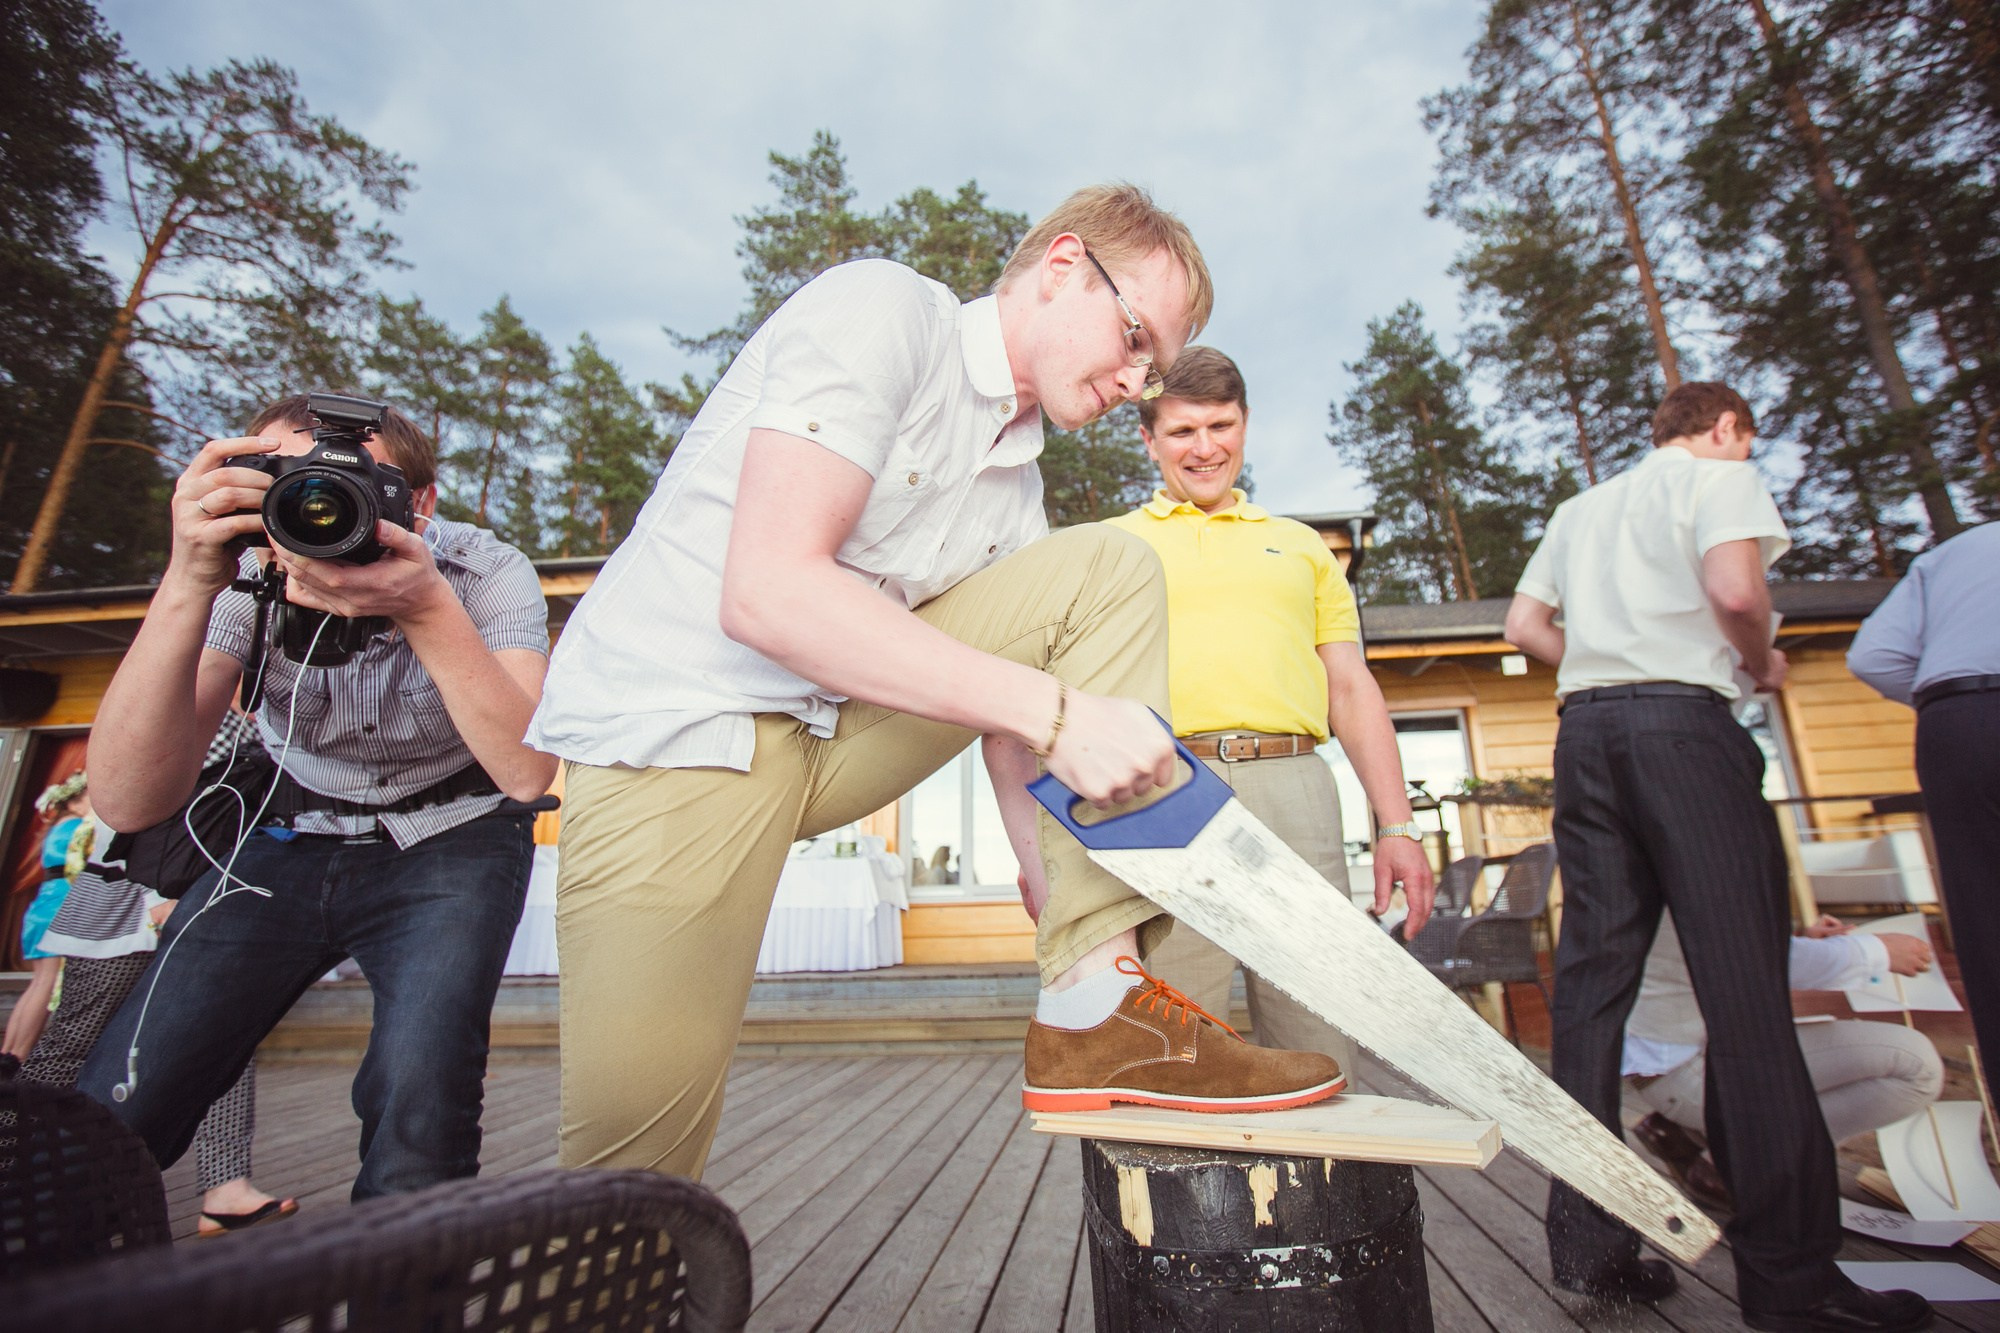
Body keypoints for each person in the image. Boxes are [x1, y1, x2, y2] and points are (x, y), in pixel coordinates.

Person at [528, 185, 1346, 1182]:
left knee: (1108, 572)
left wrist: (1073, 917)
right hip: (678, 748)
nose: (1137, 382)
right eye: (1133, 339)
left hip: (828, 744)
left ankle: (1102, 1008)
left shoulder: (1018, 492)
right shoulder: (880, 311)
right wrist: (1055, 712)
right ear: (1058, 268)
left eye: (1155, 367)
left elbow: (1010, 733)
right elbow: (770, 593)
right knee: (632, 1175)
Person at [1505, 381, 1928, 1331]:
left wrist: (1607, 656)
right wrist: (1757, 658)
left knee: (1589, 993)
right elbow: (1738, 590)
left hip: (1588, 735)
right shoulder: (1716, 477)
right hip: (1684, 732)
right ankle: (1792, 1283)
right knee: (1743, 993)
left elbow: (1525, 630)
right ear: (1726, 428)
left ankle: (1589, 1248)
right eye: (1745, 440)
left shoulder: (1581, 507)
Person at [77, 395, 555, 1202]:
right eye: (286, 481)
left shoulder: (481, 569)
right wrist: (189, 577)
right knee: (132, 1082)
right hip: (291, 828)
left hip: (457, 831)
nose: (318, 504)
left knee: (422, 1102)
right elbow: (127, 800)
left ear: (422, 504)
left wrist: (426, 606)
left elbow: (525, 771)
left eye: (357, 484)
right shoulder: (246, 566)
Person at [1096, 346, 1435, 1072]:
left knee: (1318, 1028)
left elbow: (1350, 687)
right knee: (1176, 1038)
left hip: (1296, 788)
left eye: (1221, 425)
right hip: (1168, 792)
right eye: (1183, 431)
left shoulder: (1303, 547)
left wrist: (1397, 823)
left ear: (1245, 425)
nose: (1205, 447)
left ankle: (1321, 1187)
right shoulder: (1111, 547)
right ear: (1148, 438)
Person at [27, 711, 298, 1236]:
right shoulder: (206, 708)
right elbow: (151, 790)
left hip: (201, 893)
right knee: (72, 1043)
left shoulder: (266, 715)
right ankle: (12, 1159)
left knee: (223, 1041)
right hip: (130, 894)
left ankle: (226, 1185)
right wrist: (163, 892)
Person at [1625, 913, 1942, 1209]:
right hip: (1690, 1071)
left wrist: (1799, 937)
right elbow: (1748, 956)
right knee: (1916, 1066)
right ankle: (1740, 1161)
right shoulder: (1693, 859)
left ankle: (1699, 1133)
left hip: (1673, 1056)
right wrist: (1877, 951)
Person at [1848, 521, 2000, 1084]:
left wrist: (1962, 709)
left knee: (1985, 931)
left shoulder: (1951, 554)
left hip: (1954, 722)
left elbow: (1871, 657)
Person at [4, 771, 91, 1059]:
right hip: (60, 908)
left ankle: (9, 1052)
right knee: (48, 983)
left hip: (43, 906)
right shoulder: (80, 827)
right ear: (75, 803)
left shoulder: (57, 828)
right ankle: (18, 1058)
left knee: (38, 983)